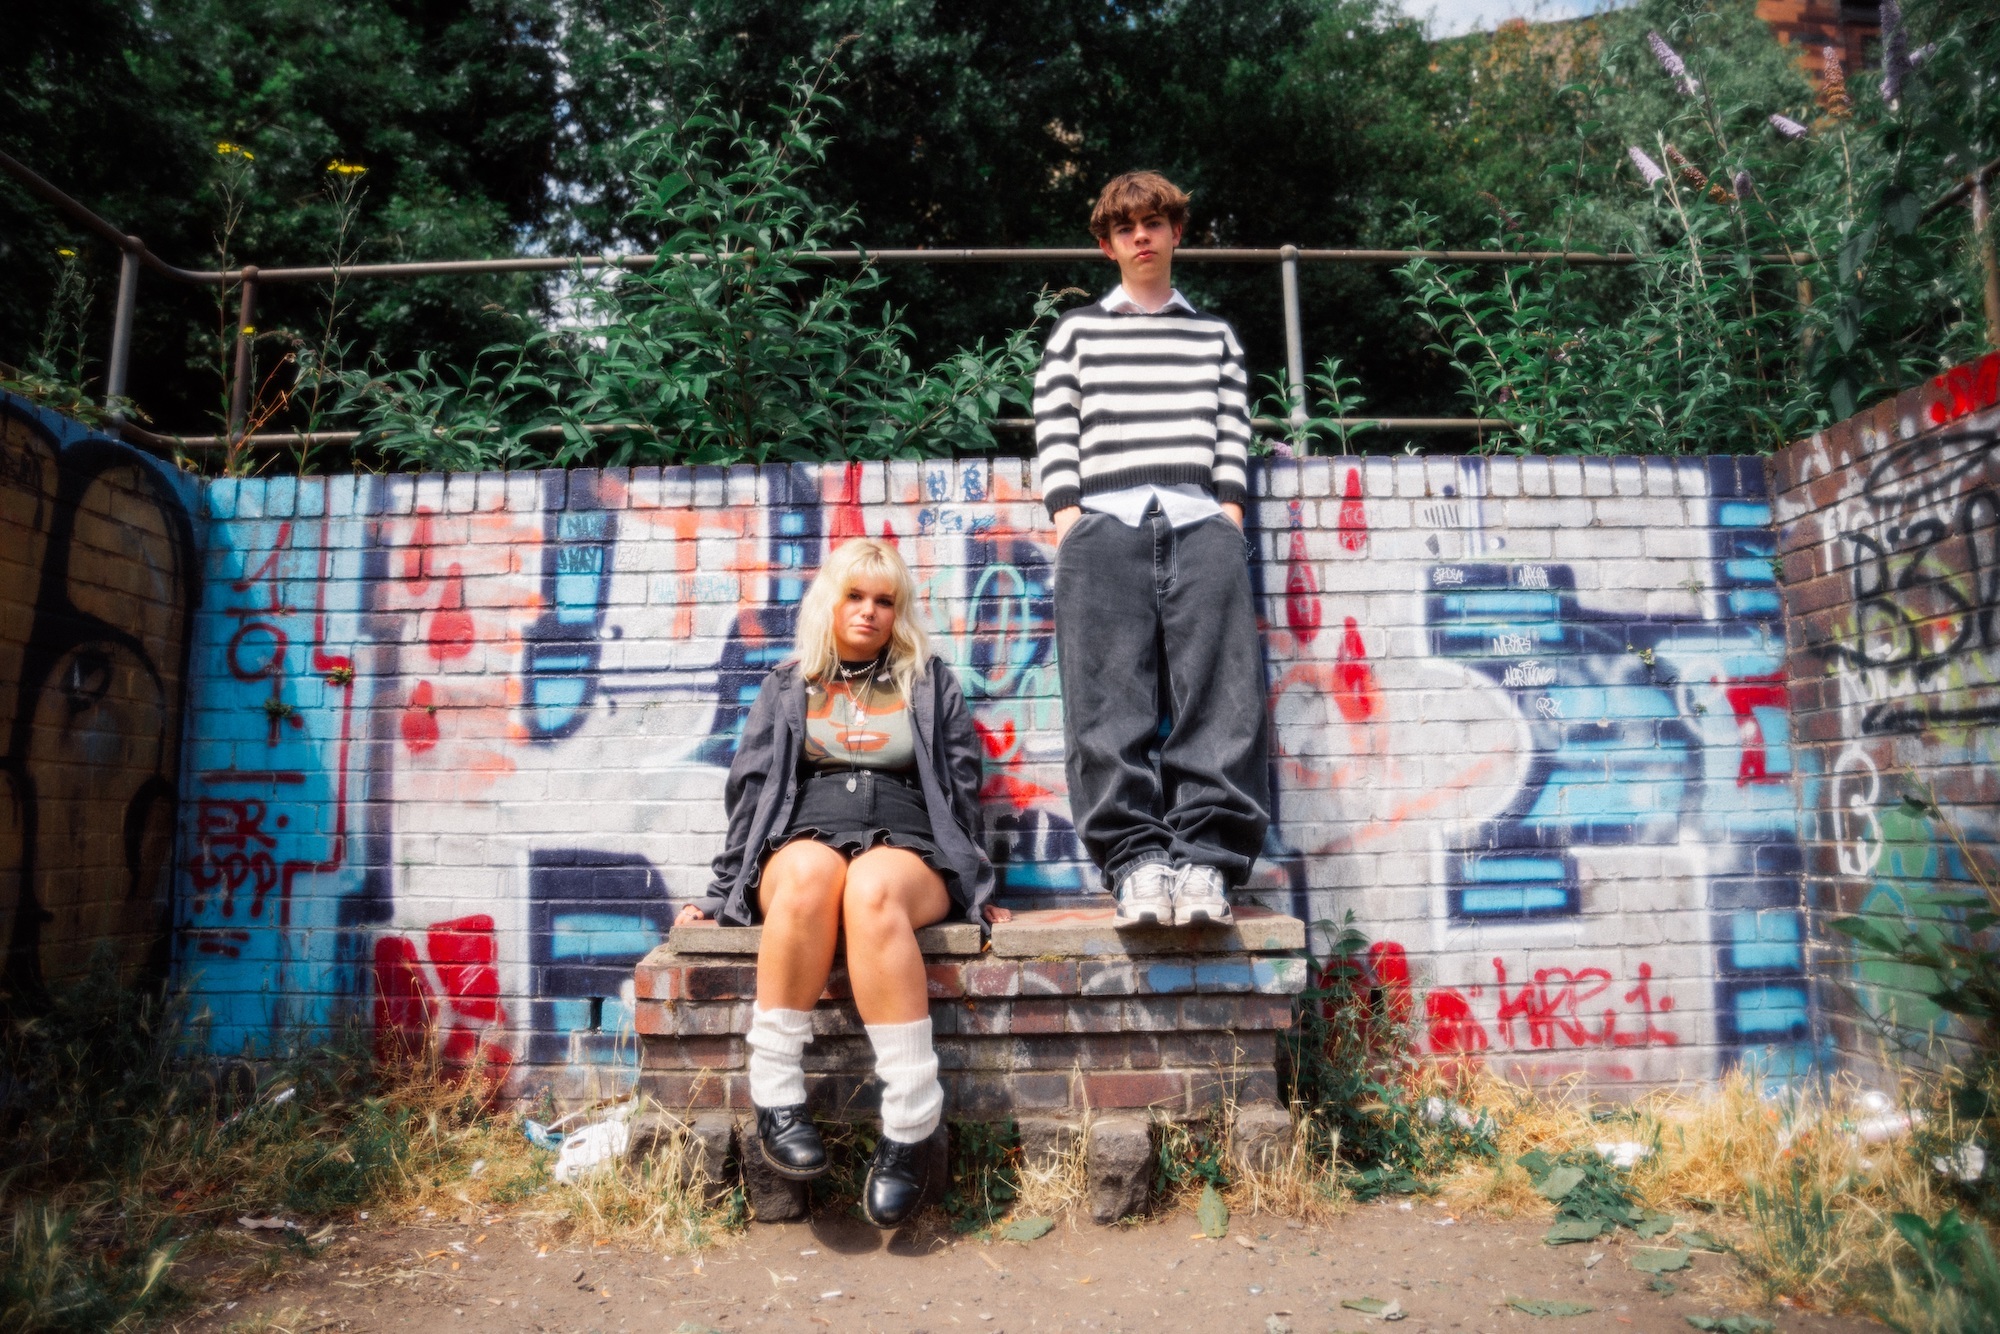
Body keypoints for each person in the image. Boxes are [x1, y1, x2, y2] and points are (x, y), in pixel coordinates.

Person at [675, 537, 1009, 1229]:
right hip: (804, 835)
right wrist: (720, 892)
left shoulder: (929, 682)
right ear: (830, 602)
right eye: (854, 596)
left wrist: (977, 888)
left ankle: (911, 1119)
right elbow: (751, 791)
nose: (868, 611)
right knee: (807, 877)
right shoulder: (788, 684)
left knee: (870, 890)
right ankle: (776, 1092)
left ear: (899, 612)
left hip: (909, 842)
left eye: (884, 601)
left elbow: (962, 789)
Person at [1033, 170, 1271, 928]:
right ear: (1107, 245)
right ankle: (1135, 865)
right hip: (1103, 522)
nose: (1141, 236)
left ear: (1176, 233)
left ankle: (1206, 865)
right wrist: (1068, 516)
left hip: (1201, 520)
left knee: (1222, 699)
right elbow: (1054, 425)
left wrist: (1229, 512)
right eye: (1125, 227)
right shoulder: (1077, 333)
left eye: (1154, 223)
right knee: (1105, 704)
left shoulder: (1214, 336)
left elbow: (1232, 429)